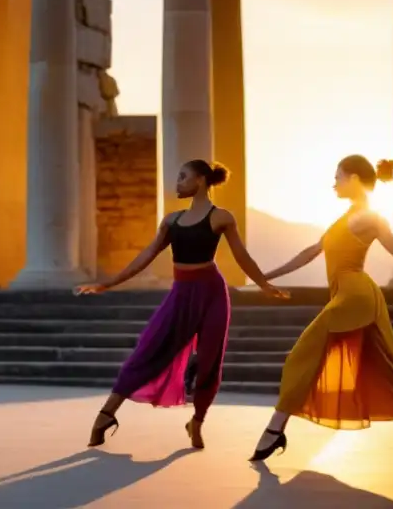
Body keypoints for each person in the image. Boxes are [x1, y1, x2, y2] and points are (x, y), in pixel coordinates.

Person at [248, 156, 393, 467]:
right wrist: (264, 278)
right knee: (390, 365)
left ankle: (274, 429)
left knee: (301, 356)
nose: (334, 183)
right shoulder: (346, 217)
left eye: (339, 176)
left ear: (356, 178)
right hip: (352, 296)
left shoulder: (369, 218)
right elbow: (312, 251)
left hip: (355, 297)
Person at [75, 159, 289, 450]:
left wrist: (264, 284)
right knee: (149, 350)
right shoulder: (171, 221)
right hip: (182, 293)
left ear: (200, 181)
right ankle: (105, 415)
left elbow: (242, 256)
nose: (177, 183)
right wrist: (108, 283)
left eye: (183, 177)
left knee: (210, 360)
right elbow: (146, 255)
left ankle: (197, 422)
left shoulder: (221, 217)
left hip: (213, 293)